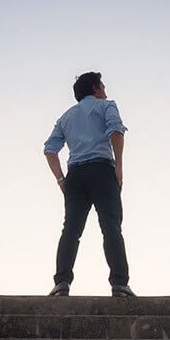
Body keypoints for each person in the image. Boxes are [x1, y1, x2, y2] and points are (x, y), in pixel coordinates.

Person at [43, 72, 136, 297]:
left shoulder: (66, 117)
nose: (105, 92)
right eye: (103, 87)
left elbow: (50, 149)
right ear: (95, 88)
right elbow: (115, 131)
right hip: (102, 170)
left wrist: (61, 180)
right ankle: (120, 284)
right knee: (111, 227)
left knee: (71, 230)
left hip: (75, 175)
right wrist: (119, 168)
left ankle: (61, 282)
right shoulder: (106, 106)